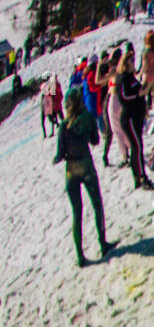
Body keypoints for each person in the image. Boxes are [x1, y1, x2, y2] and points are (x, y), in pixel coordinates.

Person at [53, 89, 115, 268]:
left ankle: (80, 256)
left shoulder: (63, 125)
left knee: (76, 213)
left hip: (71, 171)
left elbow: (59, 154)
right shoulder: (87, 117)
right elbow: (95, 140)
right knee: (97, 205)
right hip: (86, 167)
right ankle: (102, 243)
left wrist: (59, 157)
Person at [114, 53, 153, 190]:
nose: (133, 62)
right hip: (129, 116)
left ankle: (137, 176)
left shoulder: (131, 77)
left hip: (137, 115)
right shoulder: (123, 78)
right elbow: (123, 96)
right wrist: (138, 95)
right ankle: (142, 176)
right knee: (137, 147)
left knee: (137, 146)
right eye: (131, 60)